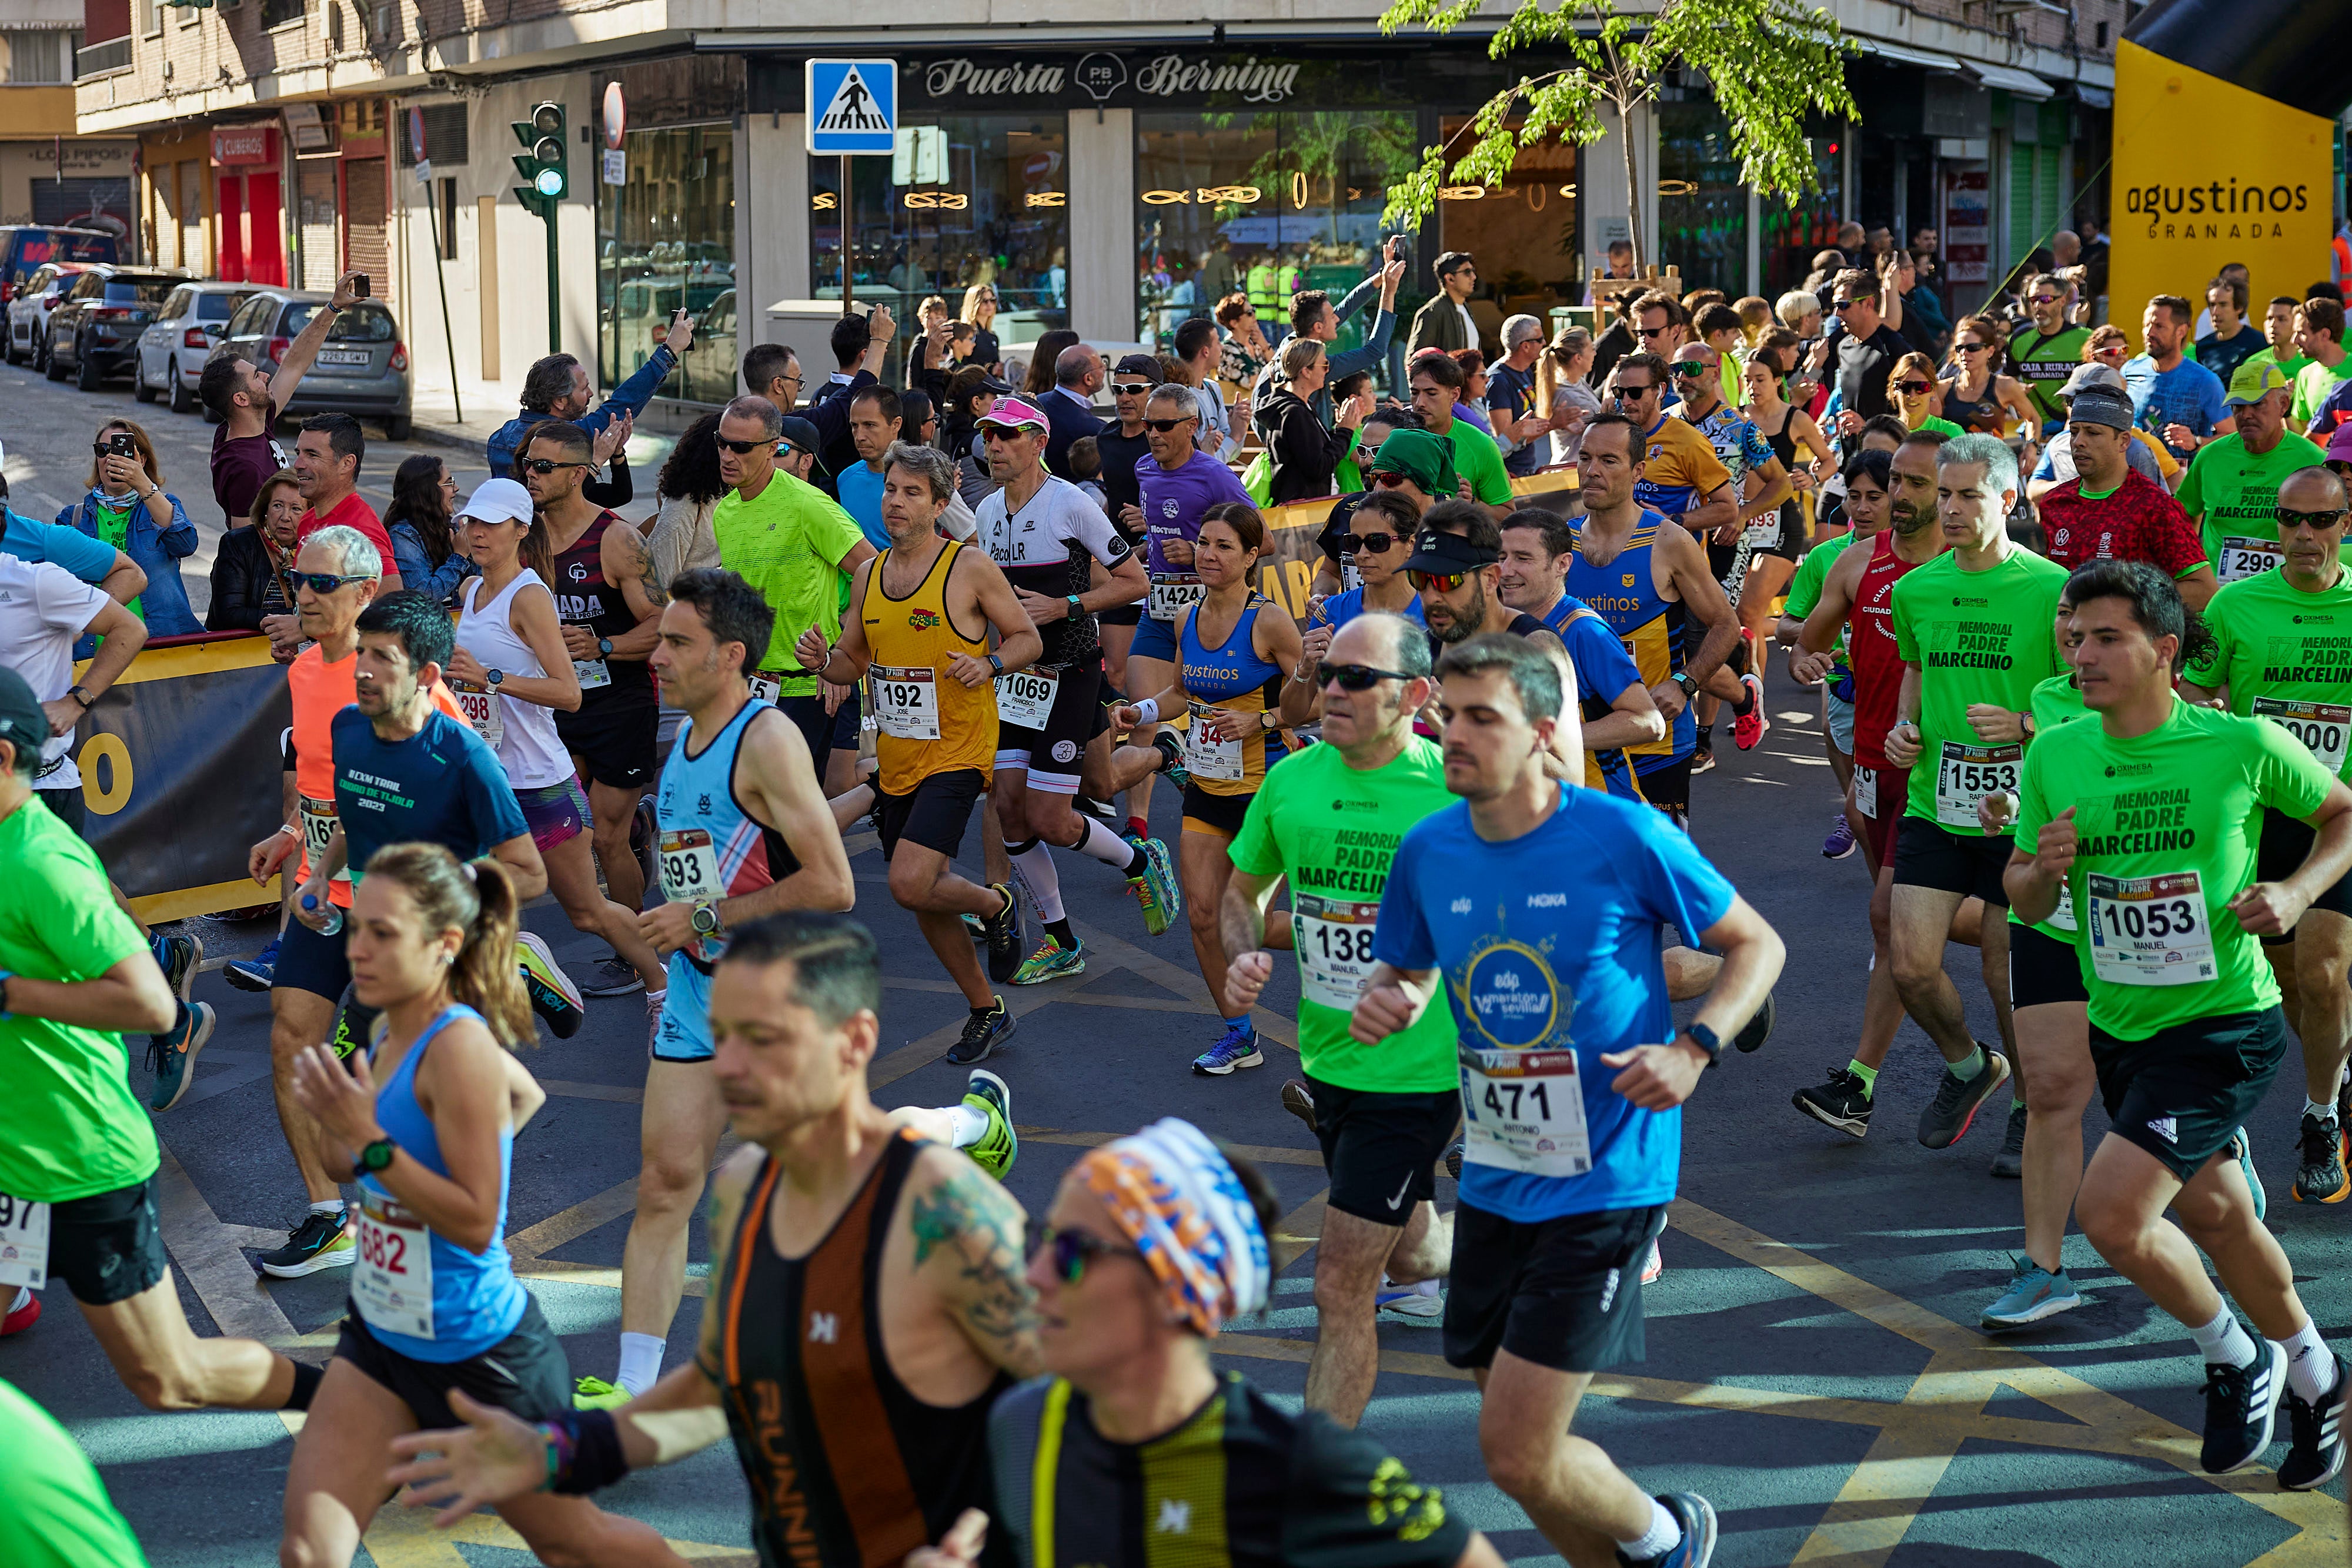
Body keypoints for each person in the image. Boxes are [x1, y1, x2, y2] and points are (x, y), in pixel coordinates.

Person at [387, 912, 1051, 1562]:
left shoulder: (945, 1212)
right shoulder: (746, 1193)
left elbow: (1074, 1415)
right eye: (720, 1035)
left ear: (852, 1040)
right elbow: (717, 1388)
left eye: (761, 1036)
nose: (728, 1067)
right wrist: (561, 1450)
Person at [1354, 631, 1782, 1568]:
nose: (1451, 733)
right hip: (1501, 1174)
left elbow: (1758, 945)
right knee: (1517, 1448)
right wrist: (1395, 991)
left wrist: (1695, 1047)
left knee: (1514, 1446)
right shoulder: (1429, 846)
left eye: (1481, 717)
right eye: (1446, 713)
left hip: (1611, 1177)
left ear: (1543, 730)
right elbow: (1410, 960)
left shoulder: (1623, 835)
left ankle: (1669, 1536)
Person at [2009, 559, 2351, 1489]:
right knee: (2222, 1218)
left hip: (2225, 1023)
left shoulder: (2240, 743)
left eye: (2107, 636)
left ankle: (2234, 1353)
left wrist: (2297, 887)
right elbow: (2024, 894)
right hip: (2124, 1026)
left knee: (2114, 1214)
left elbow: (2343, 814)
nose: (2084, 653)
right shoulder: (2057, 751)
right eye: (2075, 636)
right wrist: (2042, 868)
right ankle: (2321, 1374)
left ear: (2165, 649)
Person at [273, 841, 674, 1566]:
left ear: (444, 945)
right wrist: (339, 1117)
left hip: (482, 1357)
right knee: (310, 1549)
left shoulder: (457, 1048)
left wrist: (371, 1143)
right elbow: (344, 1161)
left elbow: (473, 1218)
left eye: (381, 934)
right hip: (382, 1337)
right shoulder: (384, 1031)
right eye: (356, 927)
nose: (356, 949)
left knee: (573, 1542)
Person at [914, 1121, 1501, 1568]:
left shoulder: (1298, 1468)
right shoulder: (1021, 1428)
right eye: (1038, 1240)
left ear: (1175, 1290)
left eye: (1071, 1253)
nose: (1033, 1274)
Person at [572, 570, 876, 1409]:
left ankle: (965, 1128)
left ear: (731, 654)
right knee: (666, 1180)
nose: (658, 655)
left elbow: (833, 884)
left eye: (676, 642)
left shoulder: (766, 739)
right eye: (661, 639)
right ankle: (634, 1385)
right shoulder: (687, 739)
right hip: (705, 992)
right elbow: (698, 877)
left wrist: (703, 919)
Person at [0, 664, 325, 1418]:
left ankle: (359, 1402)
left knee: (170, 1377)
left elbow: (148, 1003)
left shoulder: (44, 865)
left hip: (72, 1160)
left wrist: (9, 994)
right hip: (12, 1153)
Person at [258, 583, 554, 1276]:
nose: (361, 669)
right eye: (361, 652)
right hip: (361, 936)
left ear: (425, 674)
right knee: (333, 1118)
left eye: (381, 658)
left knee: (443, 1101)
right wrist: (314, 873)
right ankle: (342, 1216)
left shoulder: (461, 758)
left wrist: (437, 908)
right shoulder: (348, 728)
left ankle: (470, 1244)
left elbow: (529, 874)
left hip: (433, 962)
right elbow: (350, 814)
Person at [1221, 614, 1460, 1408]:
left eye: (1358, 678)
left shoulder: (1451, 790)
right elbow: (1240, 895)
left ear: (1415, 695)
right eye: (1329, 673)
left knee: (1337, 1285)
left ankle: (1317, 1493)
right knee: (1415, 1256)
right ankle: (1500, 1237)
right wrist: (1246, 949)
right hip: (1329, 1061)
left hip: (1419, 1068)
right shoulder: (1292, 780)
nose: (1332, 690)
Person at [796, 443, 1040, 1062]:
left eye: (910, 493)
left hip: (959, 750)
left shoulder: (968, 568)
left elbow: (1027, 639)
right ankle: (987, 1004)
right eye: (890, 491)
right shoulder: (868, 575)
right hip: (900, 755)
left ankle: (992, 902)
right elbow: (854, 660)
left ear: (938, 503)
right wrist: (824, 661)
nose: (896, 503)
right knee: (923, 893)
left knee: (909, 881)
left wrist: (986, 664)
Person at [1880, 433, 2068, 1164]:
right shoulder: (1915, 588)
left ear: (2007, 499)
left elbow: (2084, 699)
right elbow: (1917, 676)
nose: (1948, 509)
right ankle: (1970, 1068)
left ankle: (2028, 1103)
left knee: (2001, 969)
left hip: (2019, 811)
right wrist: (1904, 728)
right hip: (1936, 802)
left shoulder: (2052, 589)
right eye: (1941, 493)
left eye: (1966, 495)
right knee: (1910, 966)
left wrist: (2025, 726)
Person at [2182, 467, 2352, 1205]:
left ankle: (2320, 1118)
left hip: (2340, 818)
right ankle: (2336, 1069)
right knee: (2292, 987)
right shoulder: (2237, 605)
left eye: (2321, 521)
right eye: (2291, 521)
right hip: (2261, 820)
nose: (2305, 536)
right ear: (2276, 526)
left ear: (2345, 523)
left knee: (2321, 973)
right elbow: (2189, 687)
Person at [970, 396, 1174, 985]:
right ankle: (1061, 941)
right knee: (1008, 807)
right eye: (988, 437)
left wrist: (1067, 604)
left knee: (1053, 818)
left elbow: (1134, 581)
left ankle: (1139, 861)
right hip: (1016, 681)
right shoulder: (985, 512)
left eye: (1007, 437)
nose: (994, 447)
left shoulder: (1070, 504)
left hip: (1068, 674)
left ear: (1038, 443)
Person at [446, 477, 667, 1007]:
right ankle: (505, 980)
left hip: (540, 783)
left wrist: (490, 678)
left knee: (588, 912)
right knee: (461, 893)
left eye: (492, 524)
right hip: (486, 779)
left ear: (521, 530)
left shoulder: (530, 596)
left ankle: (660, 983)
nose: (479, 533)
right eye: (473, 522)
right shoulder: (471, 591)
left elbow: (568, 692)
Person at [1105, 503, 1307, 1075]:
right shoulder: (1185, 618)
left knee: (1243, 921)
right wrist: (1139, 710)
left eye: (1223, 546)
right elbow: (1180, 694)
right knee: (1201, 917)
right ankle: (1239, 1035)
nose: (1209, 555)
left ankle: (1345, 935)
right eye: (1203, 543)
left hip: (1265, 789)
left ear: (1250, 556)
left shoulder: (1268, 622)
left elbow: (1307, 702)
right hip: (1205, 784)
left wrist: (1261, 722)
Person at [519, 422, 666, 999]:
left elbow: (661, 625)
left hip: (620, 704)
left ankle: (632, 954)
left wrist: (603, 644)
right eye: (529, 465)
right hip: (557, 704)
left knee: (606, 839)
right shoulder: (521, 538)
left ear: (579, 474)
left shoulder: (616, 540)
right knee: (556, 830)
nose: (531, 475)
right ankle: (639, 832)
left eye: (544, 467)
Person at [1564, 412, 1743, 828]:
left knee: (1657, 872)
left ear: (1637, 471)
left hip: (1656, 743)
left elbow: (1726, 624)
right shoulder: (1561, 542)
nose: (1592, 470)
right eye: (1585, 457)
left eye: (1609, 460)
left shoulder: (1667, 540)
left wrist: (1686, 684)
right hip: (1584, 738)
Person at [707, 394, 877, 774]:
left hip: (805, 688)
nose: (728, 455)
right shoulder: (725, 512)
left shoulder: (808, 504)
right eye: (722, 442)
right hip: (747, 684)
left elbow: (872, 568)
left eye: (741, 447)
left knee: (788, 812)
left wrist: (840, 654)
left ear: (772, 448)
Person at [1496, 506, 1668, 802]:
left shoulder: (1583, 631)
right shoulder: (1503, 624)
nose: (1507, 570)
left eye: (1523, 558)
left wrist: (1556, 741)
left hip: (1597, 812)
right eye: (1501, 558)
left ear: (1562, 564)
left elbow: (1649, 722)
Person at [1668, 343, 1786, 758]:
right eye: (1676, 368)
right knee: (1676, 643)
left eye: (1692, 367)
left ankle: (1703, 740)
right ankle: (1739, 655)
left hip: (1721, 547)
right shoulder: (1666, 423)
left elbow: (1780, 483)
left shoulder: (1740, 427)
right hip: (1670, 548)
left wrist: (1742, 515)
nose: (1682, 375)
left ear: (1716, 373)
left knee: (1703, 647)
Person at [1778, 446, 1893, 857]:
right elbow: (1788, 625)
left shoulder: (1925, 559)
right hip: (1847, 688)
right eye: (1853, 496)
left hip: (1903, 692)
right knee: (1861, 789)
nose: (1861, 507)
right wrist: (1827, 635)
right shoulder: (1827, 556)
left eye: (1874, 497)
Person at [203, 270, 365, 526]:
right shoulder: (245, 466)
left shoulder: (253, 424)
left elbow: (294, 364)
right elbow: (246, 538)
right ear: (241, 399)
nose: (267, 375)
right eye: (256, 376)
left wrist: (333, 307)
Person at [2034, 382, 2217, 608]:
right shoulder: (2054, 503)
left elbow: (2204, 590)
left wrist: (2123, 604)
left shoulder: (2155, 507)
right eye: (2074, 431)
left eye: (2093, 433)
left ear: (2123, 441)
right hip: (2062, 641)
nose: (2079, 442)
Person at [485, 307, 694, 480]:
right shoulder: (565, 440)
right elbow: (623, 402)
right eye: (584, 388)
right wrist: (670, 350)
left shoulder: (498, 438)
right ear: (559, 401)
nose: (591, 393)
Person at [2180, 360, 2328, 583]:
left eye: (2257, 404)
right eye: (2238, 406)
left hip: (2284, 593)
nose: (2246, 414)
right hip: (2220, 596)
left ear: (2283, 405)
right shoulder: (2211, 457)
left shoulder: (2313, 462)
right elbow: (2183, 517)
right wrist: (2192, 573)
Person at [62, 418, 199, 638]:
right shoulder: (74, 518)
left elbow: (185, 544)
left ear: (141, 459)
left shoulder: (161, 507)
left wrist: (142, 483)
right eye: (103, 450)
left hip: (159, 650)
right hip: (94, 652)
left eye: (121, 450)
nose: (111, 457)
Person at [1261, 244, 1406, 425]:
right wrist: (1389, 292)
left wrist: (1383, 275)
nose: (1337, 319)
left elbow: (1347, 307)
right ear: (1318, 327)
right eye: (1331, 317)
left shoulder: (1290, 343)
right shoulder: (1314, 364)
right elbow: (1375, 352)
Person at [2026, 362, 2180, 501]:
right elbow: (2033, 490)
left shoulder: (2137, 447)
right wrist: (2074, 485)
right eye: (2070, 400)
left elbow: (2166, 497)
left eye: (2083, 398)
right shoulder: (2060, 443)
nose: (2075, 406)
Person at [289, 413, 399, 586]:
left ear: (347, 464)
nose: (298, 464)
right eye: (299, 453)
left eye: (312, 455)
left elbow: (392, 602)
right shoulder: (308, 519)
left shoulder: (360, 531)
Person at [2124, 295, 2236, 463]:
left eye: (2159, 326)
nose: (2149, 333)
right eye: (2146, 325)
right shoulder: (2129, 371)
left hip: (2183, 486)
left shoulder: (2204, 381)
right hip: (2136, 483)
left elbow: (2232, 437)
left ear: (2181, 332)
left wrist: (2197, 441)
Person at [1258, 337, 1369, 504]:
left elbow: (1314, 453)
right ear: (1306, 371)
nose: (1327, 371)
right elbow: (1319, 468)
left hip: (1301, 506)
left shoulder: (1299, 406)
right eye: (1324, 365)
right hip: (1301, 511)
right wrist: (1345, 431)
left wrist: (1340, 430)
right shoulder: (1295, 412)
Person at [1407, 350, 1515, 514]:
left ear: (1455, 395)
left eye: (1431, 394)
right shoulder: (1394, 436)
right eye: (1415, 393)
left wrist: (1470, 506)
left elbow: (1506, 513)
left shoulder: (1480, 445)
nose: (1420, 403)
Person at [1312, 489, 1426, 637]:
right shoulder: (1329, 614)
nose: (1362, 554)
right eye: (1353, 542)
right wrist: (1307, 661)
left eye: (1377, 542)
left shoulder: (1437, 614)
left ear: (1411, 544)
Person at [206, 468, 303, 637]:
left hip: (297, 648)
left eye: (296, 509)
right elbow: (228, 614)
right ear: (265, 509)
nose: (285, 517)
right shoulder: (239, 543)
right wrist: (296, 619)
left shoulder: (316, 548)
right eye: (278, 506)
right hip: (243, 653)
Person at [644, 410, 727, 590]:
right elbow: (662, 576)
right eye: (727, 445)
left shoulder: (730, 491)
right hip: (689, 606)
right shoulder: (685, 505)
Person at [2007, 273, 2094, 436]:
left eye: (2046, 299)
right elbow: (2008, 378)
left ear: (2062, 301)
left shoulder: (2085, 338)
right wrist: (2016, 388)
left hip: (2076, 430)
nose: (2038, 306)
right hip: (2035, 431)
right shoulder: (2018, 339)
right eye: (2033, 300)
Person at [382, 454, 474, 607]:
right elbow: (423, 598)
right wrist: (460, 556)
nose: (456, 488)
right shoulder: (403, 536)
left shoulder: (448, 526)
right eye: (448, 483)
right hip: (426, 628)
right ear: (428, 492)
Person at [1828, 269, 1912, 431]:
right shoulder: (1843, 346)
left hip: (1884, 450)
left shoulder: (1893, 346)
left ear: (1868, 304)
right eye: (1834, 306)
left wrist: (1868, 427)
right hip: (1849, 452)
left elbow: (1915, 408)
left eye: (1843, 305)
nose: (1836, 313)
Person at [1936, 313, 2041, 439]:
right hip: (1954, 458)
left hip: (1991, 458)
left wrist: (2031, 447)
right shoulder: (1943, 389)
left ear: (1990, 351)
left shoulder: (2004, 386)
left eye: (1972, 348)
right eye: (1960, 348)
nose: (1964, 353)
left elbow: (2034, 418)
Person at [836, 386, 906, 548]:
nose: (859, 436)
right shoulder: (846, 479)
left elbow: (971, 536)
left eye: (870, 425)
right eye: (855, 426)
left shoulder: (925, 477)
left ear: (896, 424)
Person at [1097, 353, 1162, 521]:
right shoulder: (1106, 437)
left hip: (1159, 542)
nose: (1124, 398)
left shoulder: (1170, 437)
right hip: (1115, 543)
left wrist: (1153, 517)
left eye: (1134, 389)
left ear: (1155, 392)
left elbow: (1194, 496)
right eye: (1118, 390)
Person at [1486, 314, 1550, 477]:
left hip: (1526, 468)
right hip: (1510, 474)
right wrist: (1555, 423)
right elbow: (1504, 438)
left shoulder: (1525, 371)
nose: (1544, 343)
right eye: (1540, 338)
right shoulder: (1498, 381)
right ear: (1526, 346)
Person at [1168, 316, 1237, 458]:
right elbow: (1197, 459)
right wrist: (1237, 436)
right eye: (1218, 342)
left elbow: (1231, 453)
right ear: (1206, 351)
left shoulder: (1213, 389)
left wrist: (1238, 426)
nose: (1222, 347)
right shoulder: (1179, 397)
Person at [1538, 326, 1601, 466]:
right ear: (1578, 358)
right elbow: (1604, 431)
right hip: (1574, 471)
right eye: (1591, 349)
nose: (1595, 353)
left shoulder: (1576, 382)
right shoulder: (1569, 396)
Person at [1044, 342, 1107, 481]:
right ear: (1088, 379)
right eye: (1101, 365)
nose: (1105, 369)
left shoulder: (1037, 403)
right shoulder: (1093, 428)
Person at [2290, 296, 2352, 431]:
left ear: (2325, 335)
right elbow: (2304, 436)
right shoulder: (2304, 375)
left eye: (2301, 333)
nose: (2294, 341)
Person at [2198, 276, 2269, 385]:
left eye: (2223, 305)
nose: (2215, 312)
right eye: (2212, 305)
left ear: (2239, 307)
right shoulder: (2203, 346)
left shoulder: (2258, 343)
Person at [2242, 295, 2313, 385]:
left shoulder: (2312, 364)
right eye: (2270, 319)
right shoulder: (2252, 365)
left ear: (2296, 323)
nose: (2273, 324)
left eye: (2282, 319)